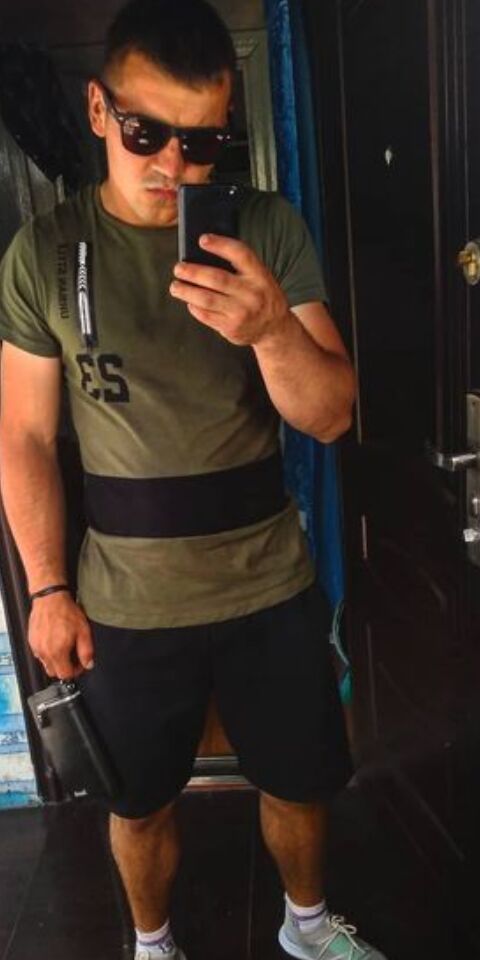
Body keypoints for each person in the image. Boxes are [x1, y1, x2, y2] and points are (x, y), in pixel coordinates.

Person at [0, 2, 387, 958]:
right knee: (137, 801)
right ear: (99, 110)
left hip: (269, 579)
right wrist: (46, 588)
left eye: (203, 141)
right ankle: (152, 944)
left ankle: (306, 931)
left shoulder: (265, 228)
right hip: (125, 599)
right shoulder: (43, 254)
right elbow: (25, 437)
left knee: (301, 780)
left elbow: (332, 414)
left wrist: (271, 329)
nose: (176, 166)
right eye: (148, 134)